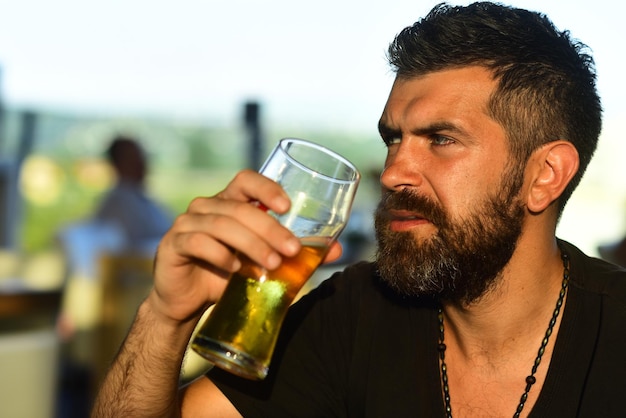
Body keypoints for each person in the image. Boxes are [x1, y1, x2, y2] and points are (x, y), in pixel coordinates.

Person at [91, 2, 626, 417]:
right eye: (393, 139)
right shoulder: (351, 314)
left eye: (440, 139)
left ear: (545, 175)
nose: (392, 173)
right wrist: (166, 316)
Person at [94, 135, 172, 253]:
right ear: (117, 164)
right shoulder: (117, 203)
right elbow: (128, 248)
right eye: (134, 158)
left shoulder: (141, 198)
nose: (142, 163)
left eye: (142, 157)